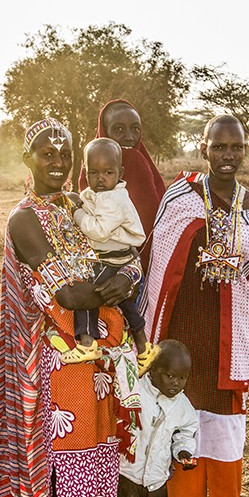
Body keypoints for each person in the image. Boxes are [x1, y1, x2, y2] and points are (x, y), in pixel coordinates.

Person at [0, 118, 140, 497]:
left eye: (64, 154)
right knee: (72, 462)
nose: (56, 162)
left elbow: (124, 255)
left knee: (97, 452)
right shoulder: (25, 219)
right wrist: (116, 286)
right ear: (27, 158)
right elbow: (66, 291)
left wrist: (125, 277)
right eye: (45, 153)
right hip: (56, 367)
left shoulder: (74, 208)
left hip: (93, 361)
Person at [145, 114, 249, 497]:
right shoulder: (179, 196)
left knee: (223, 423)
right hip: (181, 328)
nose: (228, 155)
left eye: (236, 147)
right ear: (204, 149)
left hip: (227, 335)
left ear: (245, 151)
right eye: (219, 147)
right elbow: (158, 259)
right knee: (176, 419)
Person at [66, 137, 157, 375]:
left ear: (120, 172)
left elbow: (96, 229)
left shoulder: (114, 197)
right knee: (128, 305)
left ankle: (87, 342)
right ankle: (145, 348)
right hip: (115, 255)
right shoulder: (97, 192)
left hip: (115, 258)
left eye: (108, 172)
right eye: (93, 172)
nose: (100, 178)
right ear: (84, 171)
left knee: (88, 289)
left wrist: (75, 212)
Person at [109, 339, 197, 497]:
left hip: (157, 476)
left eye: (182, 378)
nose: (176, 383)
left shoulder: (183, 406)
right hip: (129, 470)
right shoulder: (136, 390)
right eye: (170, 376)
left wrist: (184, 452)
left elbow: (186, 432)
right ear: (153, 371)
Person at [79, 100, 166, 270]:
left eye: (136, 129)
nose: (129, 137)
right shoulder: (89, 173)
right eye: (118, 129)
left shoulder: (140, 165)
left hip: (137, 268)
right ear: (104, 131)